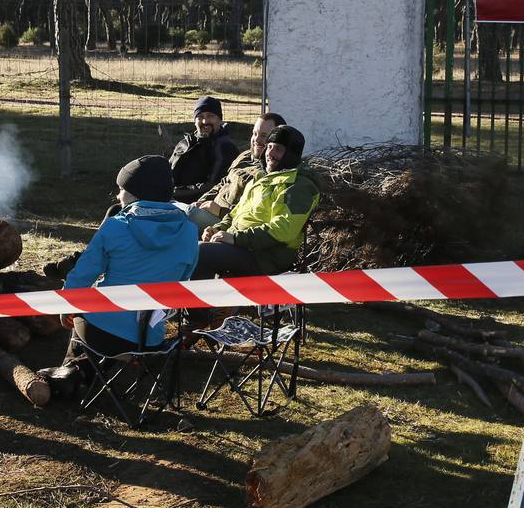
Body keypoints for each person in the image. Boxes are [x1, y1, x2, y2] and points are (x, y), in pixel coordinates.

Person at [45, 156, 199, 397]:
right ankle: (84, 371)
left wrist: (66, 307)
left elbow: (81, 277)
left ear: (137, 193)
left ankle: (71, 372)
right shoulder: (190, 232)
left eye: (122, 189)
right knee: (115, 322)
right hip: (150, 338)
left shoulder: (116, 226)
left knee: (87, 312)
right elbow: (184, 280)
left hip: (102, 334)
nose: (118, 197)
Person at [192, 125, 319, 280]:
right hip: (242, 247)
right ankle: (205, 302)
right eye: (269, 146)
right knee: (188, 248)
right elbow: (235, 214)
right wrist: (216, 229)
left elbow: (283, 230)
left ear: (291, 154)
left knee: (201, 253)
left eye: (278, 149)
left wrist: (236, 239)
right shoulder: (260, 179)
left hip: (266, 258)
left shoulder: (298, 186)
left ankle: (199, 304)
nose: (270, 153)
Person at [187, 112, 286, 229]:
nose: (256, 139)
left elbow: (255, 215)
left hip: (228, 223)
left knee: (189, 216)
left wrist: (220, 211)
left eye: (264, 136)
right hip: (209, 210)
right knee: (173, 210)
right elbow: (224, 182)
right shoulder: (245, 156)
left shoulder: (270, 171)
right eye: (254, 134)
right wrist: (201, 201)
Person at [168, 95, 240, 204]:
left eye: (211, 116)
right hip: (171, 199)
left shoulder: (224, 147)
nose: (205, 121)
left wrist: (173, 193)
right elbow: (168, 171)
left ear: (220, 119)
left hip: (201, 205)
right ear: (195, 120)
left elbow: (213, 185)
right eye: (200, 116)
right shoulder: (185, 143)